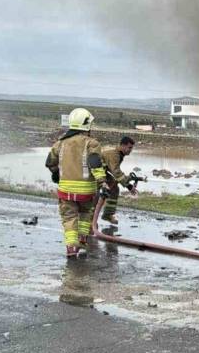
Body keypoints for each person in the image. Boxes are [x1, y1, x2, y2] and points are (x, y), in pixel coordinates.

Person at [45, 108, 106, 258]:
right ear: (86, 125)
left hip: (65, 190)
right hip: (86, 191)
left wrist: (57, 174)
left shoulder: (60, 143)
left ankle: (71, 248)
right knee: (86, 214)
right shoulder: (92, 143)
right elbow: (95, 163)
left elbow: (49, 163)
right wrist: (102, 182)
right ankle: (82, 239)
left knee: (69, 218)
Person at [99, 136, 138, 225]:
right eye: (129, 147)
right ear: (122, 145)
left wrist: (125, 180)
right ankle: (91, 219)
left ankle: (107, 214)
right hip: (96, 173)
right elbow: (116, 172)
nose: (130, 150)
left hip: (102, 172)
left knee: (114, 189)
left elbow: (114, 171)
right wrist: (129, 186)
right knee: (97, 195)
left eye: (131, 148)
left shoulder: (119, 154)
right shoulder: (114, 155)